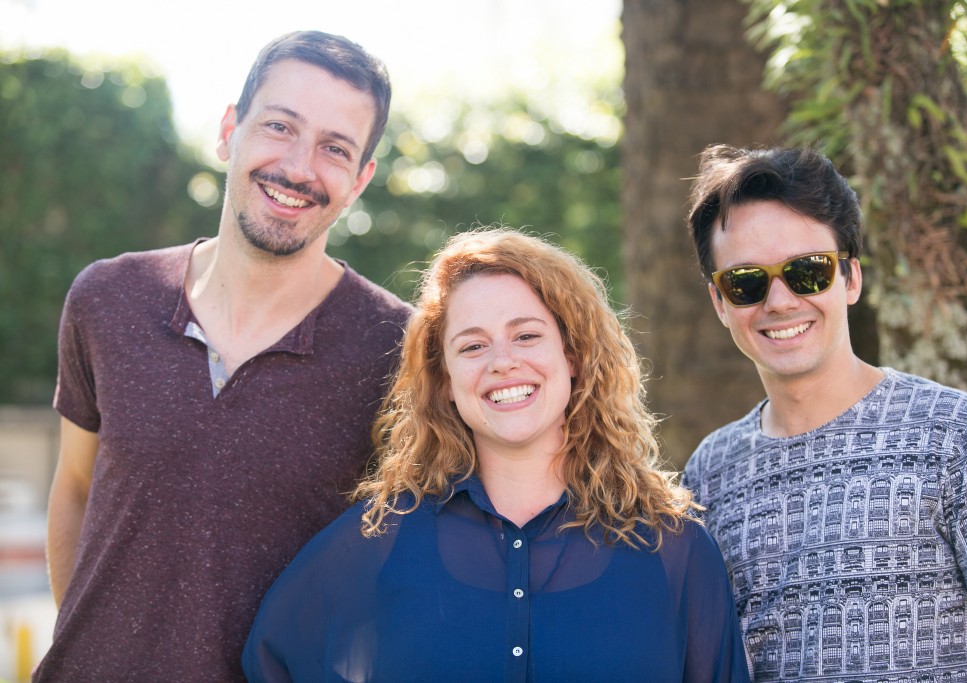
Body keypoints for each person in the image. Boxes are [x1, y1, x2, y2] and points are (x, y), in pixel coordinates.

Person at [36, 30, 412, 682]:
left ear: (359, 180)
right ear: (228, 131)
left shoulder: (396, 347)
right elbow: (73, 485)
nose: (298, 166)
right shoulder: (107, 297)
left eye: (334, 148)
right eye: (278, 126)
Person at [241, 228, 751, 682]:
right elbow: (269, 661)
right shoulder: (379, 540)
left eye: (527, 335)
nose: (504, 363)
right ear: (444, 383)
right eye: (472, 347)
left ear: (572, 356)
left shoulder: (673, 548)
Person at [682, 144, 967, 683]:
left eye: (808, 271)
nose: (779, 301)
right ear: (721, 303)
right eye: (746, 281)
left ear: (851, 279)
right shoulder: (709, 470)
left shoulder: (958, 433)